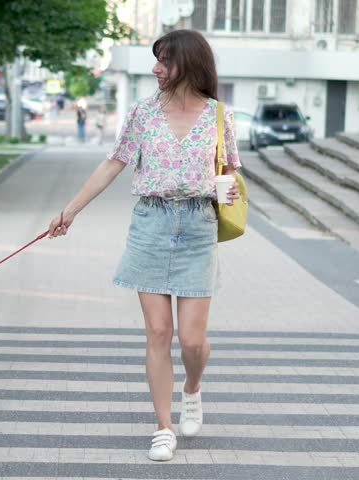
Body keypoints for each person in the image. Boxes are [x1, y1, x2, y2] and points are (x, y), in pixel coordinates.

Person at [46, 29, 241, 462]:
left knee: (192, 342)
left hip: (198, 227)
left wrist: (226, 189)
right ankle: (164, 427)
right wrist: (70, 211)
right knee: (159, 332)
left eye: (165, 61)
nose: (156, 69)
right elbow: (113, 163)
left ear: (189, 64)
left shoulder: (219, 116)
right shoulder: (143, 113)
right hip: (151, 223)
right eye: (156, 60)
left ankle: (193, 387)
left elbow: (229, 171)